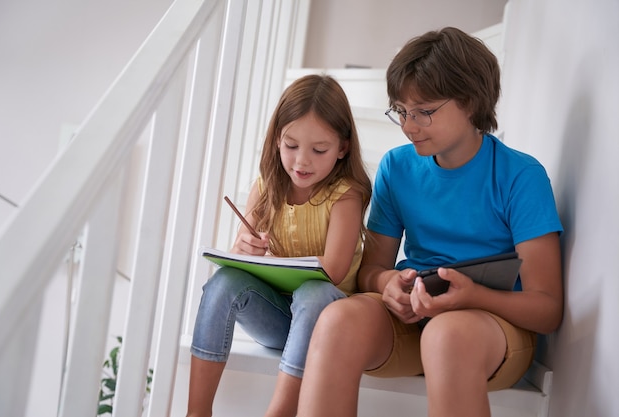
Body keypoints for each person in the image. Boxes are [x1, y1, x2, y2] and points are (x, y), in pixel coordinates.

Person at [296, 27, 563, 417]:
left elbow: (547, 309)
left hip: (491, 327)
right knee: (337, 319)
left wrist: (472, 297)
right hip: (414, 318)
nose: (409, 126)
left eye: (424, 112)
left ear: (470, 103)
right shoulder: (397, 167)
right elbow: (372, 270)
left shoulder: (520, 176)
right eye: (401, 111)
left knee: (446, 335)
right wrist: (388, 285)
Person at [186, 74, 372, 417]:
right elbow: (239, 261)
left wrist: (281, 263)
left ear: (343, 148)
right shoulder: (266, 186)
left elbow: (334, 269)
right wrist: (244, 248)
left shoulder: (346, 195)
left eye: (319, 150)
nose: (302, 162)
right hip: (276, 319)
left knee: (314, 292)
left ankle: (281, 411)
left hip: (323, 324)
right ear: (275, 140)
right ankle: (197, 412)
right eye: (291, 146)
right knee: (223, 281)